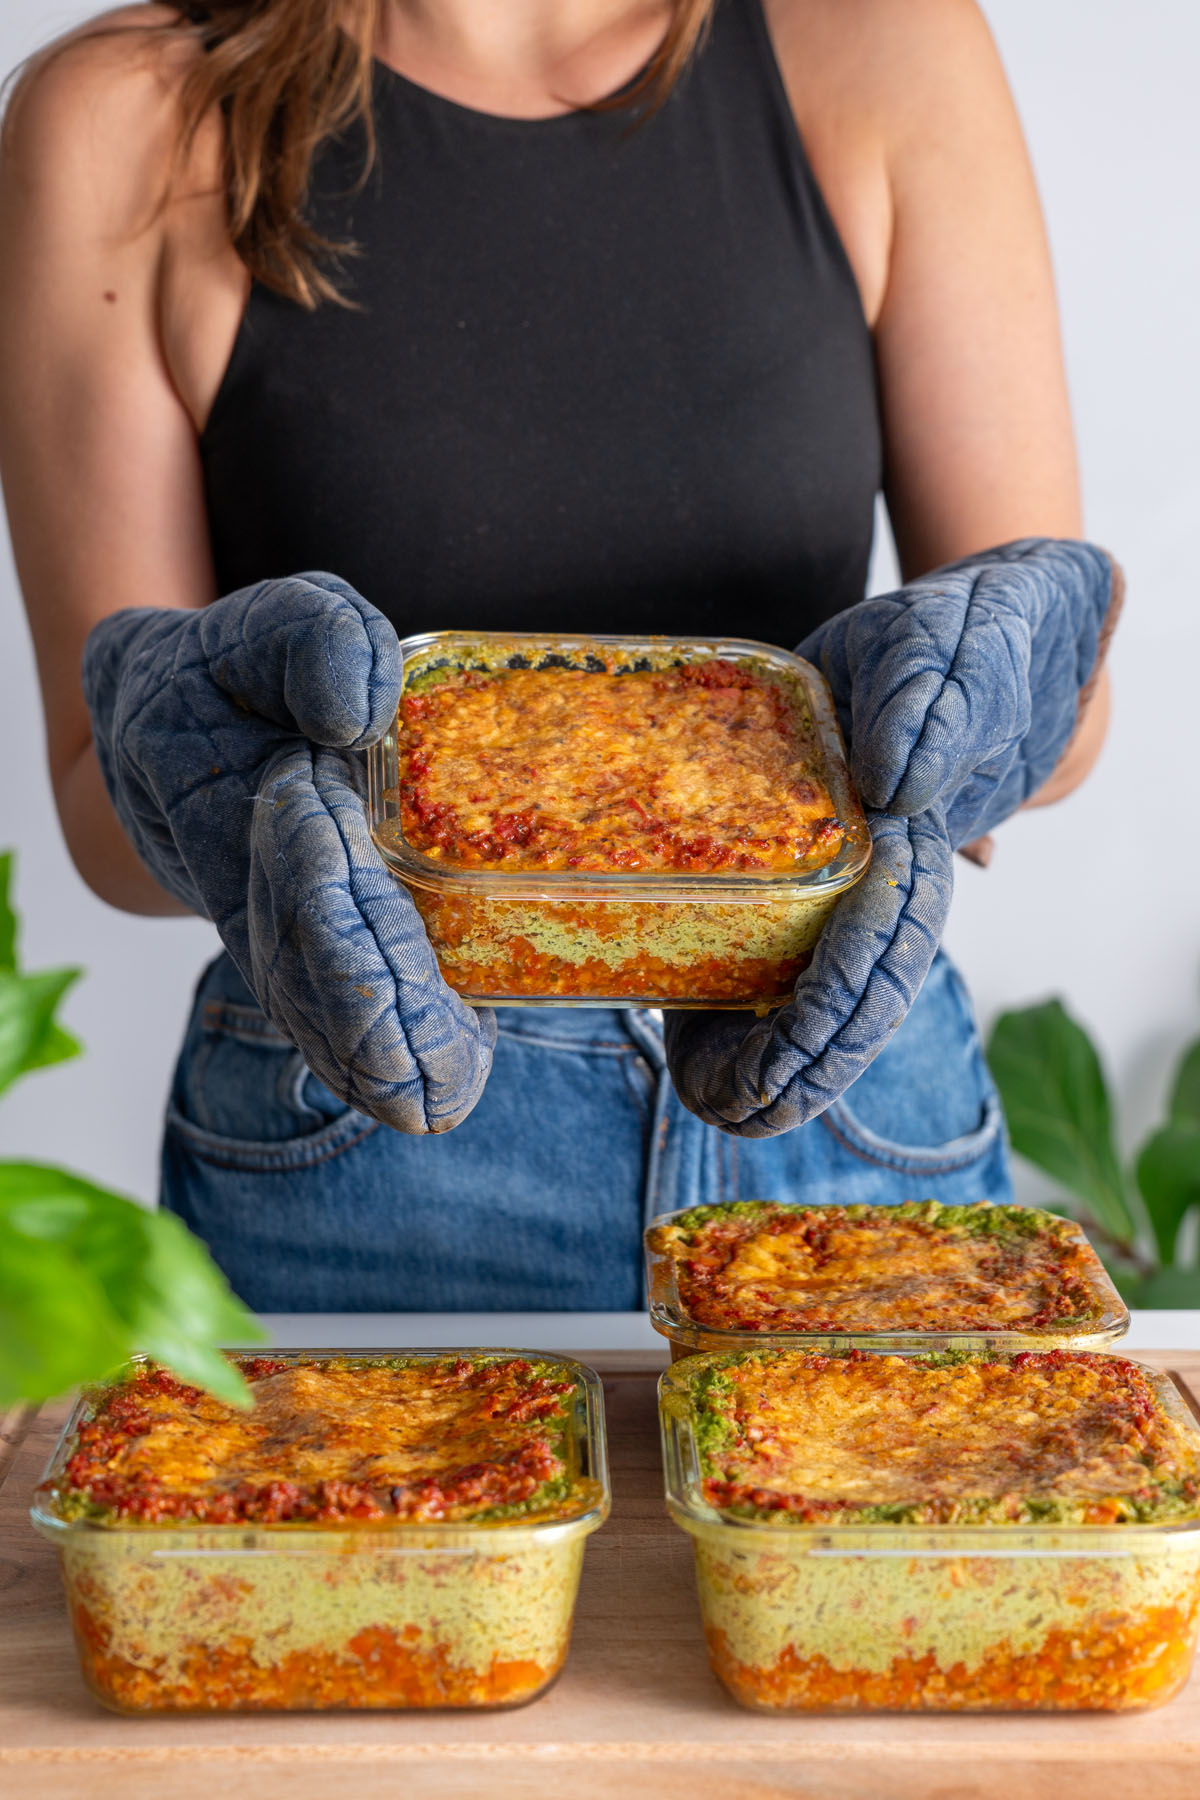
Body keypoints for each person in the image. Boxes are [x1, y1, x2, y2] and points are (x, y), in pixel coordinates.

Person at [0, 0, 1112, 1312]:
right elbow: (98, 795)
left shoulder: (882, 39)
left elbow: (1066, 717)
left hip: (842, 1086)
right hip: (356, 1136)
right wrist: (214, 786)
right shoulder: (122, 117)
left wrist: (1001, 689)